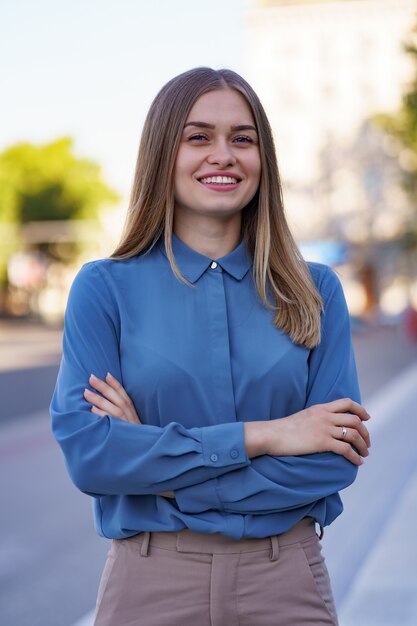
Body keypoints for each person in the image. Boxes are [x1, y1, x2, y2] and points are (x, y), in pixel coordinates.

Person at [50, 67, 371, 626]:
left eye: (242, 139)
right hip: (150, 584)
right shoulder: (105, 289)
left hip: (286, 580)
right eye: (198, 137)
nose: (223, 155)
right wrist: (270, 435)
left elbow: (332, 460)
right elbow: (93, 457)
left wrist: (163, 479)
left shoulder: (315, 290)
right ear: (161, 155)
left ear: (261, 159)